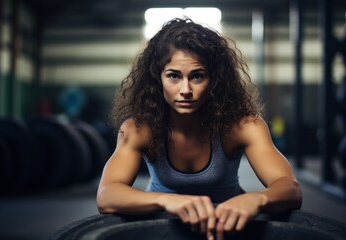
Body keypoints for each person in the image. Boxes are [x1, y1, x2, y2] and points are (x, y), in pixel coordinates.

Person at [96, 18, 302, 240]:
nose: (186, 90)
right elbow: (107, 195)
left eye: (197, 76)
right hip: (161, 225)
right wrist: (167, 200)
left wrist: (257, 199)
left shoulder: (242, 126)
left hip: (226, 227)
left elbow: (290, 188)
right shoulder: (138, 129)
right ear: (158, 79)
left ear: (214, 80)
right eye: (173, 76)